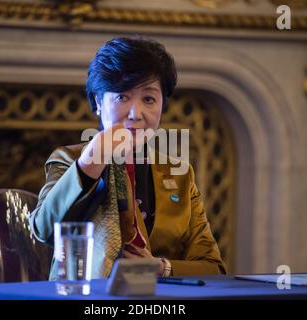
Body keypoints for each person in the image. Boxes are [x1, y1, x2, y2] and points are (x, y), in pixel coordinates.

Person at [29, 37, 227, 280]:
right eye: (122, 96)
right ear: (99, 102)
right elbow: (45, 231)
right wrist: (92, 159)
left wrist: (161, 267)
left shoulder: (179, 173)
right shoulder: (70, 159)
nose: (136, 114)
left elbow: (213, 268)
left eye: (149, 99)